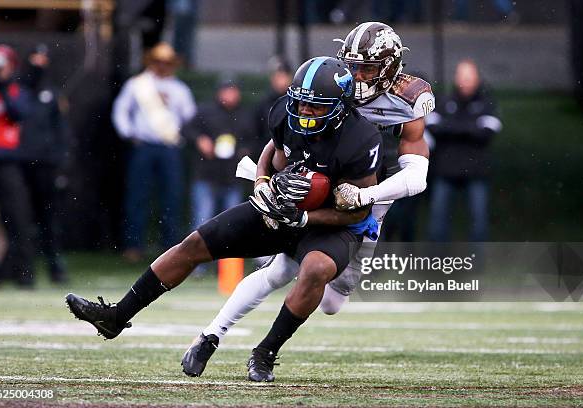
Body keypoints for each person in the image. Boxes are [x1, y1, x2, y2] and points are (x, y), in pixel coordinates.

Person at [66, 56, 383, 383]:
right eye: (301, 104)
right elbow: (271, 151)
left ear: (341, 107)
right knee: (193, 245)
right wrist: (263, 182)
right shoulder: (284, 114)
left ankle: (265, 353)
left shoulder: (361, 139)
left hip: (332, 224)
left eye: (315, 107)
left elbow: (358, 209)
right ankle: (116, 316)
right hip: (280, 209)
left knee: (316, 269)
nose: (304, 112)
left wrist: (304, 217)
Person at [180, 22, 433, 380]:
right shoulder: (330, 82)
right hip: (317, 183)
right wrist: (263, 178)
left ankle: (249, 330)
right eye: (353, 65)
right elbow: (282, 134)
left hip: (369, 202)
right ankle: (212, 336)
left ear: (390, 68)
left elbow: (417, 178)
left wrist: (365, 195)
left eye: (367, 68)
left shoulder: (409, 98)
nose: (357, 75)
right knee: (280, 269)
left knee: (333, 301)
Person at [112, 42, 196, 262]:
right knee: (137, 196)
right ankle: (133, 245)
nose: (163, 66)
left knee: (172, 197)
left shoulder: (179, 89)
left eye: (167, 62)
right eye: (159, 62)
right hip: (145, 146)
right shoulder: (137, 85)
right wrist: (129, 134)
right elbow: (121, 110)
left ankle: (170, 247)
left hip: (170, 147)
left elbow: (189, 116)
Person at [426, 59, 501, 242]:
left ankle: (476, 265)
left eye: (469, 77)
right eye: (462, 77)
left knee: (479, 221)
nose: (466, 81)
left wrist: (451, 127)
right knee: (438, 221)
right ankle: (436, 264)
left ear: (477, 79)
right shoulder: (444, 101)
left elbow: (487, 132)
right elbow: (433, 127)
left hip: (476, 172)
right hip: (445, 170)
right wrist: (470, 127)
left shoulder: (487, 103)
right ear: (456, 78)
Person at [18, 45, 69, 283]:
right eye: (35, 58)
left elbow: (61, 131)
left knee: (49, 218)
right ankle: (22, 269)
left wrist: (61, 163)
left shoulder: (52, 94)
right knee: (20, 217)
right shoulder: (18, 91)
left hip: (46, 164)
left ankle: (55, 266)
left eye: (42, 59)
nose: (38, 63)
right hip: (19, 163)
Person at [0, 44, 34, 287]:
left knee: (17, 217)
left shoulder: (16, 91)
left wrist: (2, 86)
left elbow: (17, 113)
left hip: (8, 162)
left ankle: (23, 272)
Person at [187, 79, 254, 230]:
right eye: (227, 90)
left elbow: (252, 140)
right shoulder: (206, 111)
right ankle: (199, 252)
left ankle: (229, 253)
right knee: (203, 218)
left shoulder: (244, 115)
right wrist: (200, 140)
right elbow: (187, 129)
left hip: (232, 175)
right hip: (206, 173)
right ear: (219, 92)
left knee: (232, 219)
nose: (230, 95)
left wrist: (244, 150)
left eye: (233, 91)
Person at [252, 57, 292, 159]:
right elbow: (256, 133)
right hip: (268, 153)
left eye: (284, 76)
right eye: (278, 76)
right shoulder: (263, 103)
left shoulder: (296, 102)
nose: (281, 81)